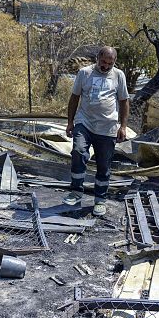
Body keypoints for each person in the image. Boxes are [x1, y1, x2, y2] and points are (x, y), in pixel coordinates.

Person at [62, 46, 129, 216]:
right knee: (78, 151)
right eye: (103, 62)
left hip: (107, 128)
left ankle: (100, 200)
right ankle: (76, 192)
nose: (106, 66)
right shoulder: (84, 73)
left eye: (110, 63)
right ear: (97, 58)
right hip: (84, 122)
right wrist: (70, 122)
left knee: (103, 165)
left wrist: (123, 126)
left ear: (114, 62)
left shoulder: (118, 75)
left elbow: (124, 101)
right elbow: (74, 97)